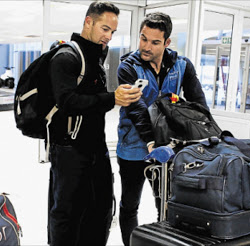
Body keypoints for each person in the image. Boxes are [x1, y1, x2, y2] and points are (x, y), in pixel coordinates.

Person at [47, 2, 142, 245]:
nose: (108, 36)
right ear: (88, 22)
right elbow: (66, 101)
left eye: (112, 32)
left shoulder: (96, 57)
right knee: (67, 216)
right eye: (104, 28)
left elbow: (92, 102)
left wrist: (115, 97)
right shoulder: (66, 56)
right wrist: (112, 98)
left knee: (100, 211)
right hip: (69, 151)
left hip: (96, 150)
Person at [116, 12, 208, 246]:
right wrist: (151, 143)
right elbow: (136, 110)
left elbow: (199, 105)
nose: (146, 46)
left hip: (167, 151)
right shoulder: (128, 67)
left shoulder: (182, 66)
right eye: (143, 38)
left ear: (167, 42)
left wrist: (200, 135)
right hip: (133, 148)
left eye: (155, 42)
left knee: (166, 205)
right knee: (129, 205)